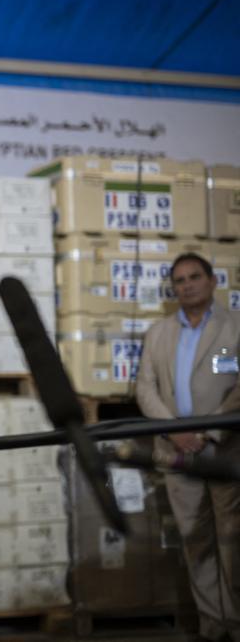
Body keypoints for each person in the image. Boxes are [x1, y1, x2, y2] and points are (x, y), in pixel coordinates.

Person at [136, 252, 240, 641]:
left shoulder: (234, 327)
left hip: (225, 450)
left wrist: (209, 431)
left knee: (232, 544)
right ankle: (214, 625)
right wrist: (174, 430)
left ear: (213, 281)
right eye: (179, 280)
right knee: (196, 544)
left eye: (195, 277)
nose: (187, 285)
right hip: (178, 453)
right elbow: (145, 388)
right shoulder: (159, 333)